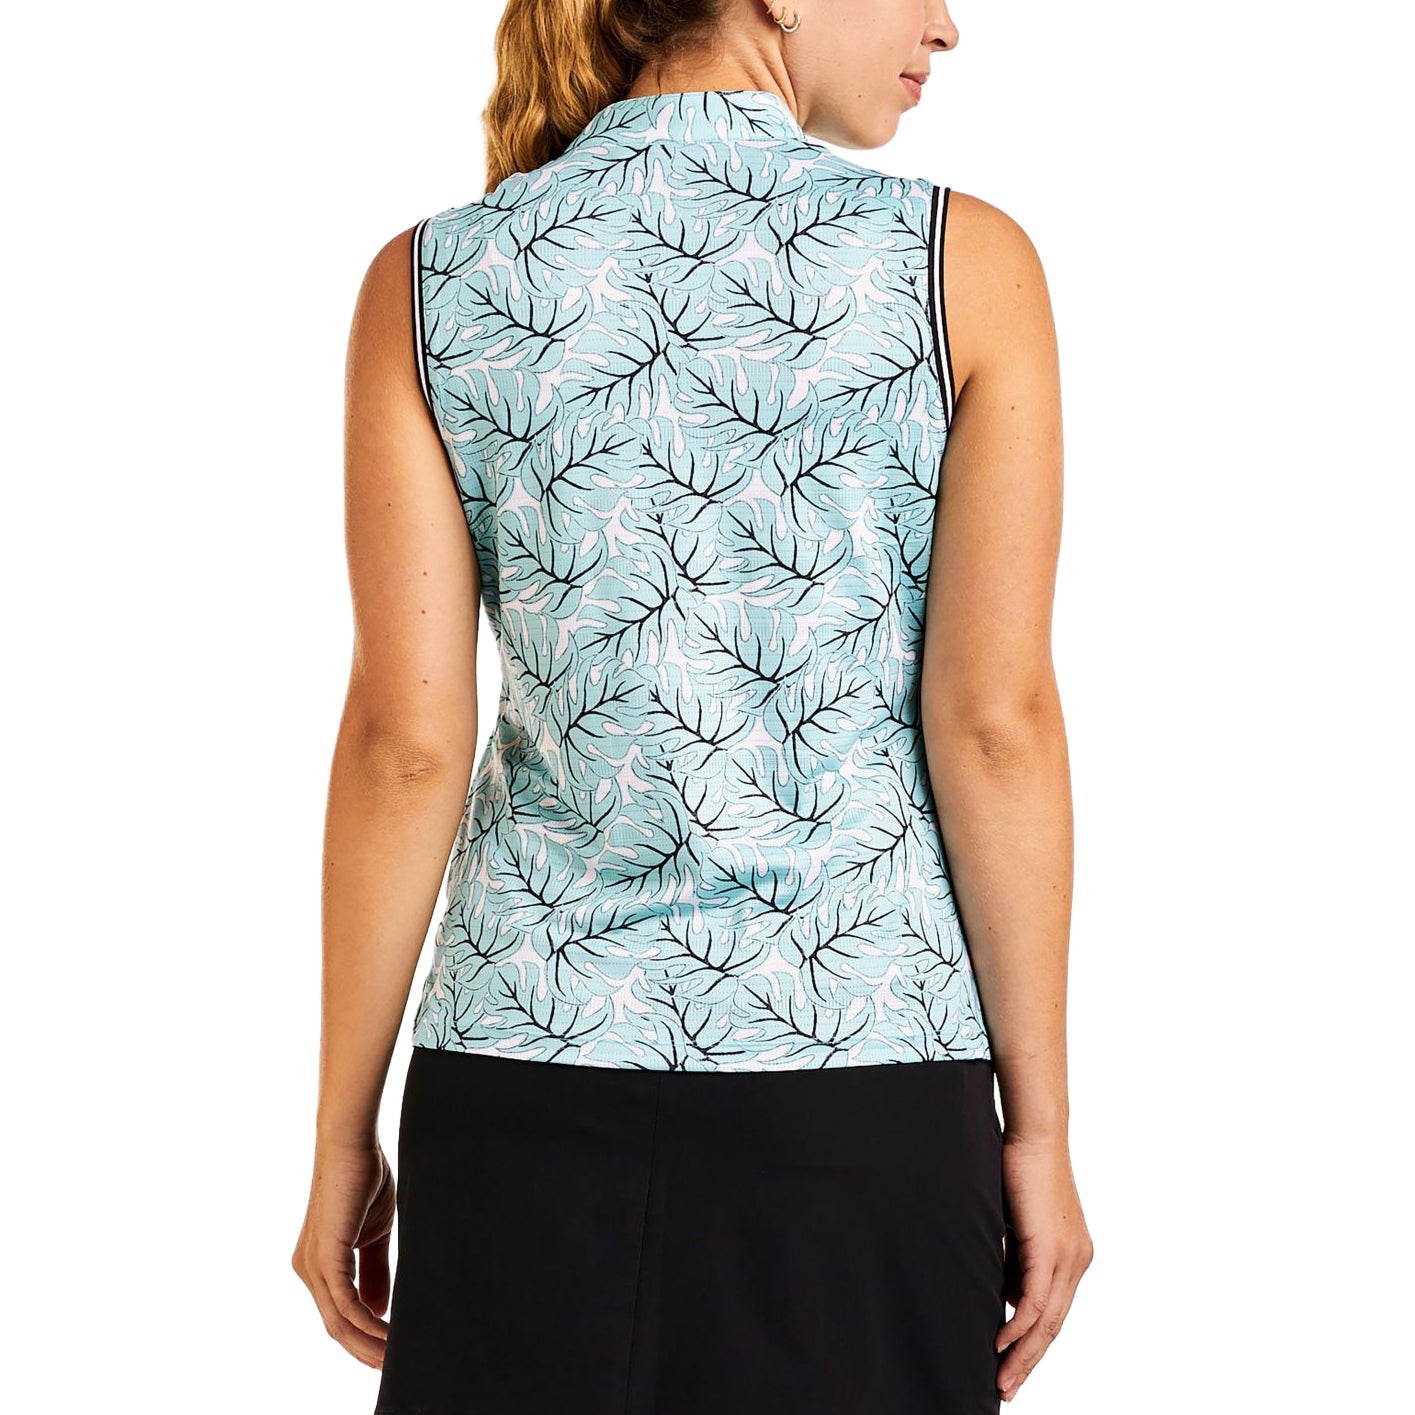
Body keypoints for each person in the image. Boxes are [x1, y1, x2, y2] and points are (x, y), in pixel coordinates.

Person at [291, 0, 1093, 1409]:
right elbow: (993, 725)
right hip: (867, 1091)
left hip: (521, 1089)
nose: (947, 25)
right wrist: (1038, 1130)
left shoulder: (430, 281)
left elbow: (405, 748)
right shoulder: (960, 266)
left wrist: (341, 1133)